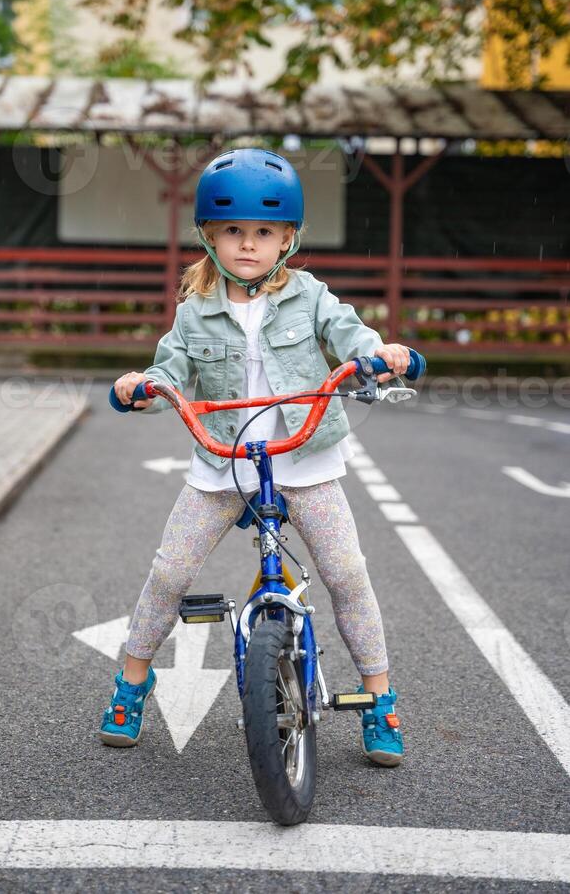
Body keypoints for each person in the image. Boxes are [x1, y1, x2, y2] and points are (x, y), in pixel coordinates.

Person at [99, 148, 411, 766]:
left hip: (305, 461)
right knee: (169, 572)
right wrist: (139, 387)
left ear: (288, 238)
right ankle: (132, 684)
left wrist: (382, 354)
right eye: (233, 231)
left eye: (264, 232)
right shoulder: (194, 314)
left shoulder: (312, 297)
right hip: (225, 465)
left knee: (348, 575)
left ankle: (380, 701)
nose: (248, 244)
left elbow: (351, 335)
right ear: (209, 238)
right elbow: (170, 373)